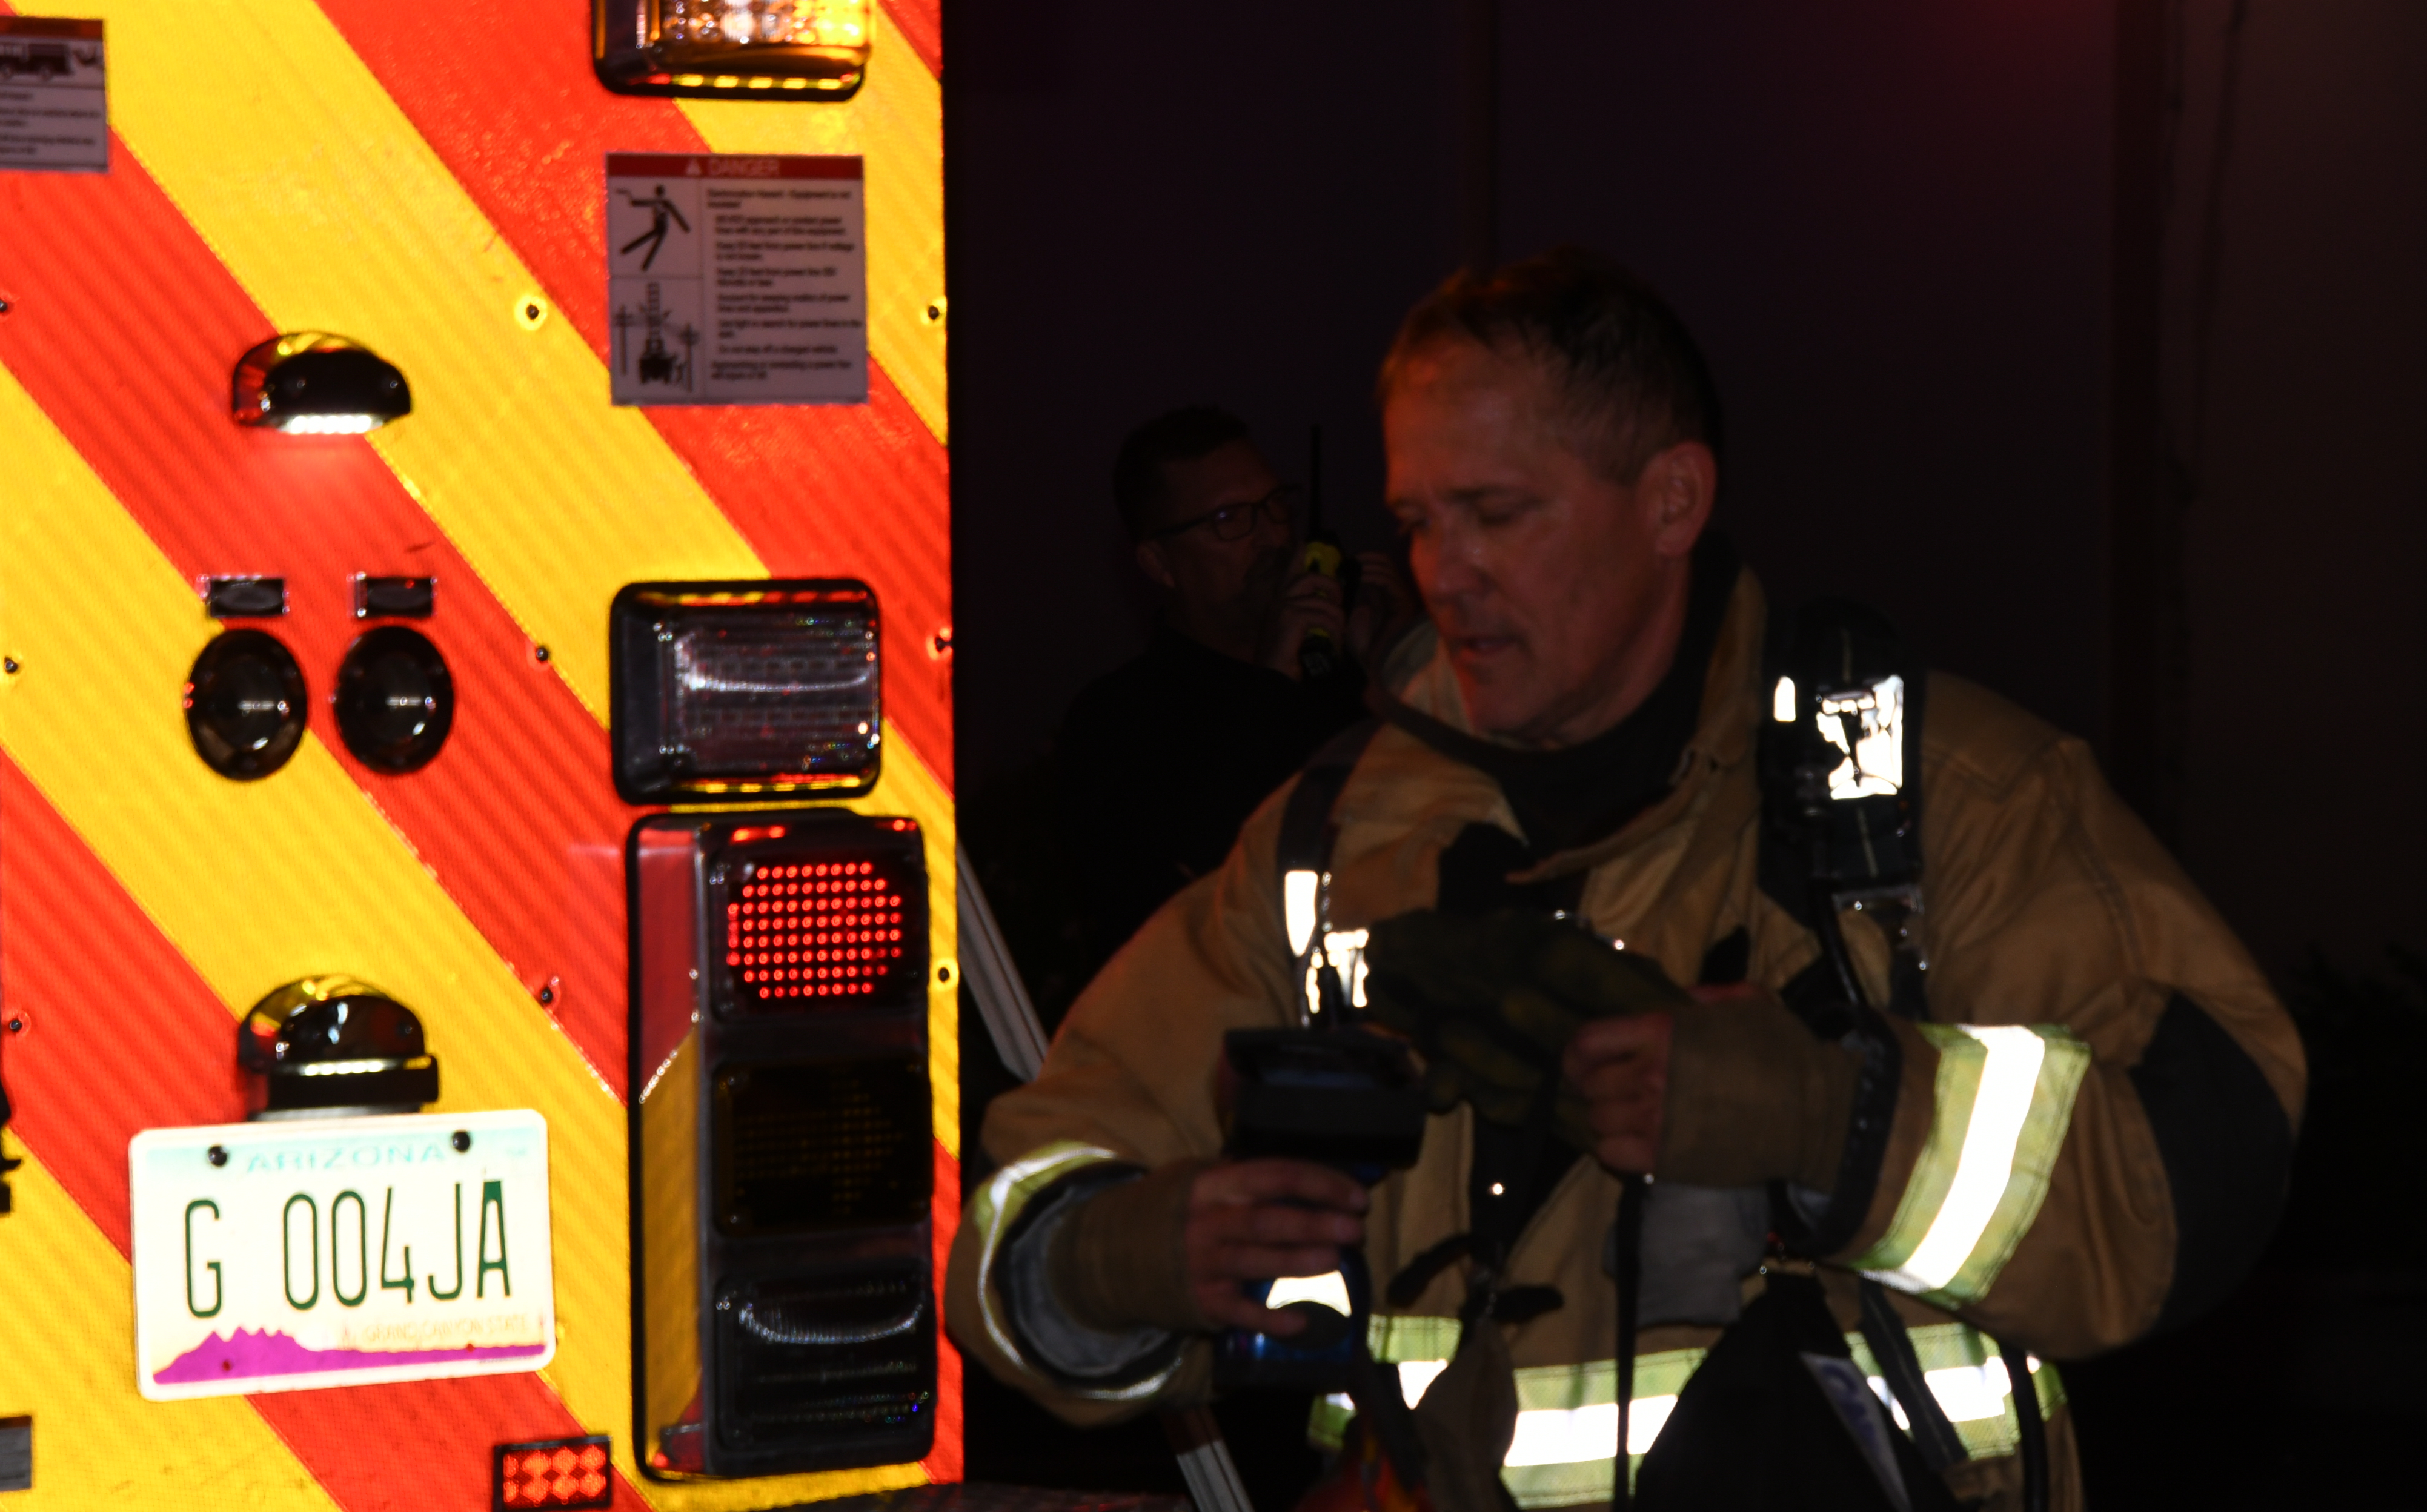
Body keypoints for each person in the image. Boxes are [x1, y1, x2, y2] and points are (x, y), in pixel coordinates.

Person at [948, 249, 2302, 1510]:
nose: (1443, 572)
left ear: (1672, 500)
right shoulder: (1329, 848)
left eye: (1498, 513)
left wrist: (1835, 1121)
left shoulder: (1932, 799)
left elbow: (2195, 1180)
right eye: (1418, 519)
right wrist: (1120, 1258)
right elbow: (1017, 1208)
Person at [1057, 407, 1412, 964]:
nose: (1273, 535)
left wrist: (1406, 675)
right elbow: (1179, 910)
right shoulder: (1116, 723)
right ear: (1159, 563)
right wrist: (1267, 691)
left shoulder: (1347, 677)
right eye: (1229, 518)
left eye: (1276, 504)